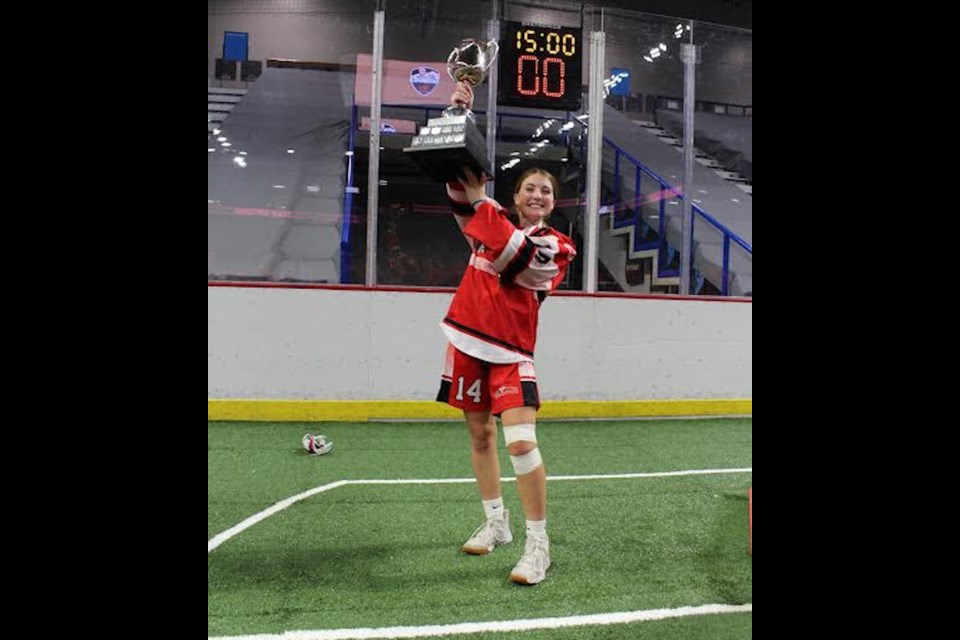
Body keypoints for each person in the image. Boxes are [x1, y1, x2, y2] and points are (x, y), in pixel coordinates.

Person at [435, 81, 577, 585]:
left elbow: (516, 256)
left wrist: (481, 202)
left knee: (520, 442)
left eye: (546, 191)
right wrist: (459, 117)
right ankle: (498, 524)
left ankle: (540, 545)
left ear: (552, 203)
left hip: (512, 352)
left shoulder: (557, 247)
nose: (537, 195)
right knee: (478, 437)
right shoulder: (486, 221)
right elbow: (460, 192)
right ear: (515, 197)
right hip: (466, 340)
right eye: (529, 189)